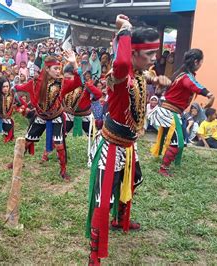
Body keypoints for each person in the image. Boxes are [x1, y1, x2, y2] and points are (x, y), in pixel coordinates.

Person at [85, 15, 171, 264]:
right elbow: (122, 60)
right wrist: (126, 29)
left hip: (129, 144)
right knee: (103, 200)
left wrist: (157, 79)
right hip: (112, 145)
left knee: (134, 179)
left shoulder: (139, 71)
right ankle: (93, 255)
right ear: (134, 52)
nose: (155, 58)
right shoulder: (120, 72)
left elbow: (142, 75)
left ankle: (119, 219)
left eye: (156, 52)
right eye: (150, 53)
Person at [14, 51, 82, 181]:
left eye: (59, 69)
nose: (58, 72)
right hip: (40, 116)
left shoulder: (62, 83)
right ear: (47, 68)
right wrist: (18, 101)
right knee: (27, 141)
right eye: (55, 69)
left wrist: (74, 63)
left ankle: (63, 171)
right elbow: (18, 88)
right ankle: (16, 163)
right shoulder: (34, 83)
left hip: (56, 116)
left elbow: (78, 83)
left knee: (59, 145)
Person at [149, 49, 214, 177]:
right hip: (169, 113)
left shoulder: (181, 73)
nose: (201, 64)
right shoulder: (186, 76)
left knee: (177, 140)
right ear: (196, 62)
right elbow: (193, 85)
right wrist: (209, 95)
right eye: (201, 61)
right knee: (178, 143)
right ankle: (163, 169)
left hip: (169, 111)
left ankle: (165, 163)